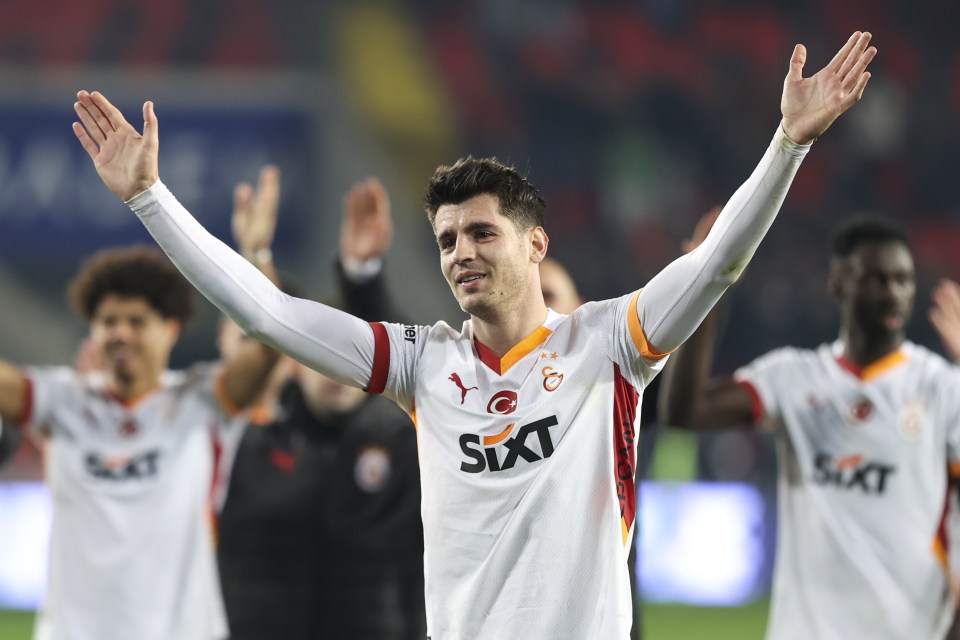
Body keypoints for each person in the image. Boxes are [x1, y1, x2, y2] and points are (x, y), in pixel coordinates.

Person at [71, 31, 875, 639]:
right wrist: (150, 199)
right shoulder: (424, 366)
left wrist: (788, 144)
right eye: (448, 239)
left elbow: (718, 265)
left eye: (483, 234)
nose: (461, 253)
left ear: (536, 244)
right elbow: (266, 314)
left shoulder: (610, 345)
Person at [658, 213, 960, 639]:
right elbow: (685, 411)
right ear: (837, 284)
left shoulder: (942, 387)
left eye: (903, 279)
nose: (892, 293)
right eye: (876, 279)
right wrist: (710, 282)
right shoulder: (794, 377)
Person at [0, 244, 279, 640]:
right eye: (108, 321)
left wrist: (257, 253)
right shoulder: (62, 402)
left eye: (136, 321)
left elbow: (272, 343)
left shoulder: (203, 402)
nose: (120, 333)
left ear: (171, 329)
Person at [216, 174, 426, 639]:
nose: (337, 374)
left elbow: (424, 367)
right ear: (293, 366)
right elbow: (269, 324)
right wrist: (257, 258)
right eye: (323, 360)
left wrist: (363, 274)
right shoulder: (251, 440)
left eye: (352, 363)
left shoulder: (403, 442)